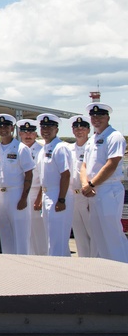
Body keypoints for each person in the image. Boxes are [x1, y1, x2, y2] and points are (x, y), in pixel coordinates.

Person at [80, 103, 128, 262]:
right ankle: (104, 268)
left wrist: (91, 184)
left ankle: (122, 266)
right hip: (93, 190)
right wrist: (86, 184)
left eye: (100, 116)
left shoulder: (114, 136)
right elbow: (84, 165)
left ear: (108, 117)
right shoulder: (93, 139)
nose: (96, 119)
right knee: (97, 233)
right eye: (93, 116)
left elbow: (111, 164)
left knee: (111, 232)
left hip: (109, 189)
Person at [0, 114, 34, 254]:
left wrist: (23, 198)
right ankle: (10, 265)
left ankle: (24, 264)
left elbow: (29, 174)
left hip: (16, 193)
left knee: (20, 234)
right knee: (5, 233)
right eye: (0, 127)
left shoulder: (21, 148)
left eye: (6, 127)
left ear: (12, 128)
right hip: (1, 195)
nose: (3, 129)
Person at [34, 113, 74, 257]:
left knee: (58, 238)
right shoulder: (43, 149)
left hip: (58, 194)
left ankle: (60, 269)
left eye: (50, 127)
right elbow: (42, 177)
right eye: (43, 127)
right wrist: (39, 198)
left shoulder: (60, 147)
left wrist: (61, 199)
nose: (46, 130)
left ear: (56, 130)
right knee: (51, 236)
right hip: (47, 194)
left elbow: (65, 174)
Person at [17, 119, 46, 255]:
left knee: (38, 231)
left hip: (35, 193)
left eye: (31, 132)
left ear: (36, 134)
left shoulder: (42, 150)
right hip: (18, 193)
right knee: (23, 230)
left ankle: (42, 258)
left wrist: (39, 197)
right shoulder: (15, 149)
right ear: (20, 133)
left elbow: (43, 176)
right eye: (24, 132)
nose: (28, 135)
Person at [68, 115, 93, 256]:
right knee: (79, 234)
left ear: (88, 130)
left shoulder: (92, 147)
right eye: (76, 128)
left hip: (87, 195)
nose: (79, 130)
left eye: (83, 128)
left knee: (93, 232)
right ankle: (85, 262)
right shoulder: (69, 149)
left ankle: (99, 264)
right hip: (73, 195)